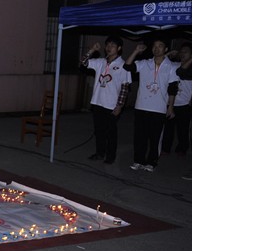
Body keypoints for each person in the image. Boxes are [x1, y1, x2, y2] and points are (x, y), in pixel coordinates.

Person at [124, 38, 180, 172]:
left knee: (155, 138)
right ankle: (138, 160)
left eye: (160, 46)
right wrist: (136, 51)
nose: (157, 48)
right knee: (140, 136)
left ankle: (152, 162)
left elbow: (173, 88)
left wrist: (170, 107)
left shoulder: (171, 67)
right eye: (155, 46)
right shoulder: (145, 63)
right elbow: (127, 66)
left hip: (159, 108)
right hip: (141, 106)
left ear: (166, 49)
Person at [80, 36, 132, 164]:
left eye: (113, 45)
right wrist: (92, 50)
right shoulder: (101, 62)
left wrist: (120, 105)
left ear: (119, 48)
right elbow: (83, 62)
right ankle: (100, 153)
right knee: (99, 131)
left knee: (110, 132)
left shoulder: (123, 65)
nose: (109, 47)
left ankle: (110, 156)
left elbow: (125, 87)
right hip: (98, 102)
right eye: (108, 45)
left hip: (111, 104)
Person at [161, 43, 191, 156]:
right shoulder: (174, 65)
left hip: (185, 103)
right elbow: (160, 62)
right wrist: (168, 54)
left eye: (186, 52)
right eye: (181, 51)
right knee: (168, 127)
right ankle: (165, 148)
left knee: (183, 128)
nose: (183, 54)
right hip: (170, 102)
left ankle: (182, 148)